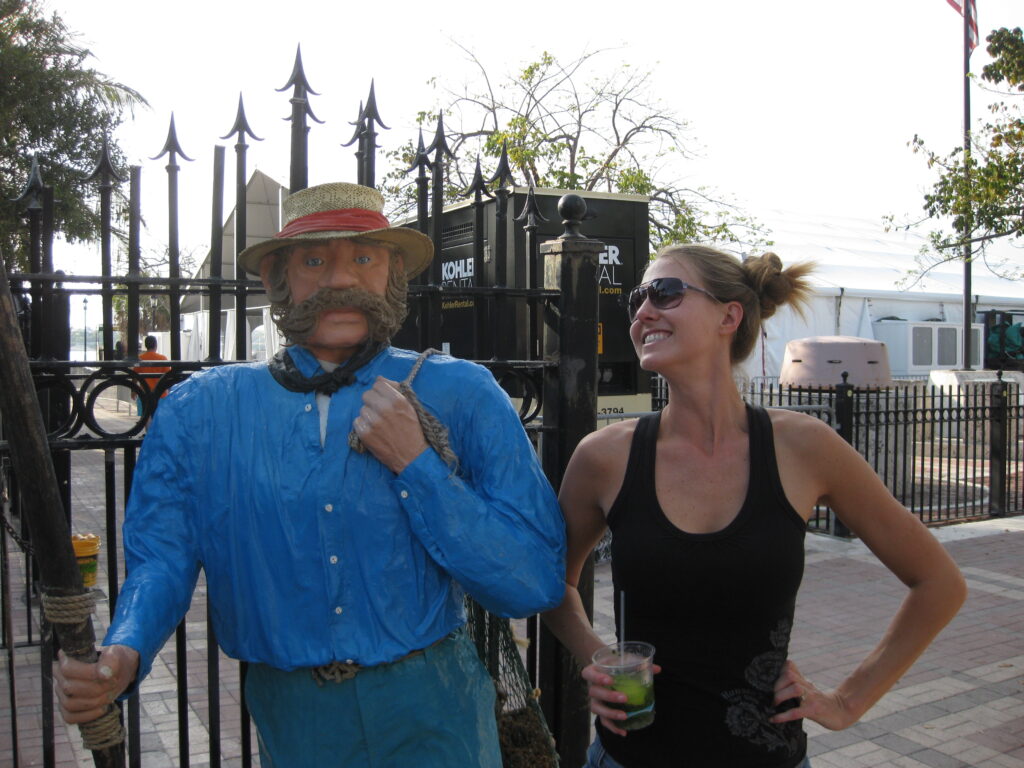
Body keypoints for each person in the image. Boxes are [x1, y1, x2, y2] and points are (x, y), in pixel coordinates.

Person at [54, 182, 567, 767]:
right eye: (315, 259)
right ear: (279, 277)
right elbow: (162, 560)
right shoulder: (201, 411)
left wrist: (419, 467)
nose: (341, 279)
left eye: (364, 257)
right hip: (294, 723)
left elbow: (534, 580)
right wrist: (124, 652)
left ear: (393, 271)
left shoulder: (462, 391)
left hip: (435, 711)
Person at [541, 245, 967, 768]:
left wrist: (847, 701)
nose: (643, 311)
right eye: (638, 298)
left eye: (666, 293)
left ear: (730, 315)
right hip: (631, 757)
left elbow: (939, 583)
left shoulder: (803, 447)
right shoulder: (605, 457)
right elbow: (549, 583)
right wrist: (597, 658)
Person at [130, 335, 170, 417]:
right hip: (160, 395)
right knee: (158, 417)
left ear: (145, 345)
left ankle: (148, 430)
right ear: (156, 345)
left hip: (144, 393)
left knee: (146, 417)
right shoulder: (162, 359)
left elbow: (135, 376)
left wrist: (133, 391)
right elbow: (168, 377)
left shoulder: (140, 359)